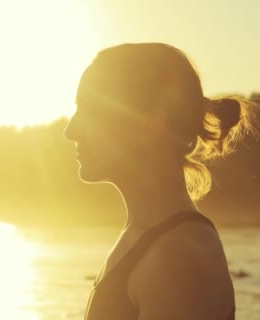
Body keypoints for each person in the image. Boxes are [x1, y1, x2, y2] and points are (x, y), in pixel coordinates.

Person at [63, 43, 258, 320]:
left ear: (149, 124)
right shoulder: (145, 235)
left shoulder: (178, 258)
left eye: (91, 111)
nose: (71, 131)